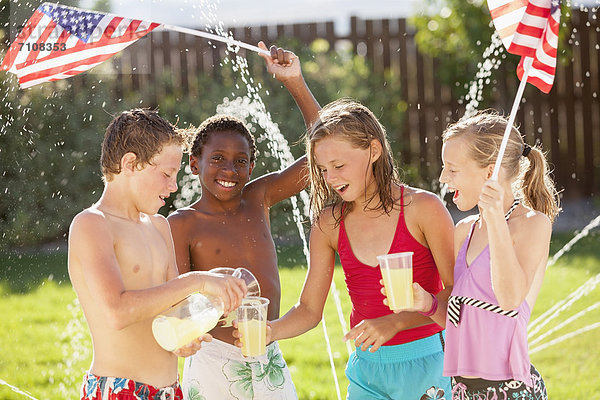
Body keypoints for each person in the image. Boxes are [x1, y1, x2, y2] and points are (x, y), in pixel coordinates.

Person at [263, 98, 455, 399]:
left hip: (429, 363)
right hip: (367, 369)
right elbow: (310, 309)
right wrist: (271, 331)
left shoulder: (423, 209)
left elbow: (456, 294)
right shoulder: (329, 224)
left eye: (339, 165)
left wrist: (395, 322)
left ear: (374, 150)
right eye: (323, 169)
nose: (331, 178)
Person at [167, 42, 320, 400]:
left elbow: (321, 150)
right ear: (194, 164)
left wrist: (295, 81)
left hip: (267, 351)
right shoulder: (183, 223)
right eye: (217, 158)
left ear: (252, 166)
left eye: (240, 161)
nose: (229, 169)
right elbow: (175, 296)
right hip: (213, 359)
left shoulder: (258, 197)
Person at [68, 108, 247, 400]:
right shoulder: (93, 224)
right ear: (130, 163)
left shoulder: (159, 226)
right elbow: (117, 311)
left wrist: (182, 338)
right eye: (166, 174)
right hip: (120, 390)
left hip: (170, 391)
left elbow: (173, 310)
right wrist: (198, 280)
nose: (173, 186)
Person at [407, 111, 559, 399]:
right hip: (463, 390)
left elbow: (510, 299)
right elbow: (463, 321)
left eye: (452, 169)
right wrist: (426, 303)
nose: (442, 178)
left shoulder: (532, 224)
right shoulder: (464, 230)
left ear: (490, 173)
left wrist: (496, 221)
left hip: (510, 390)